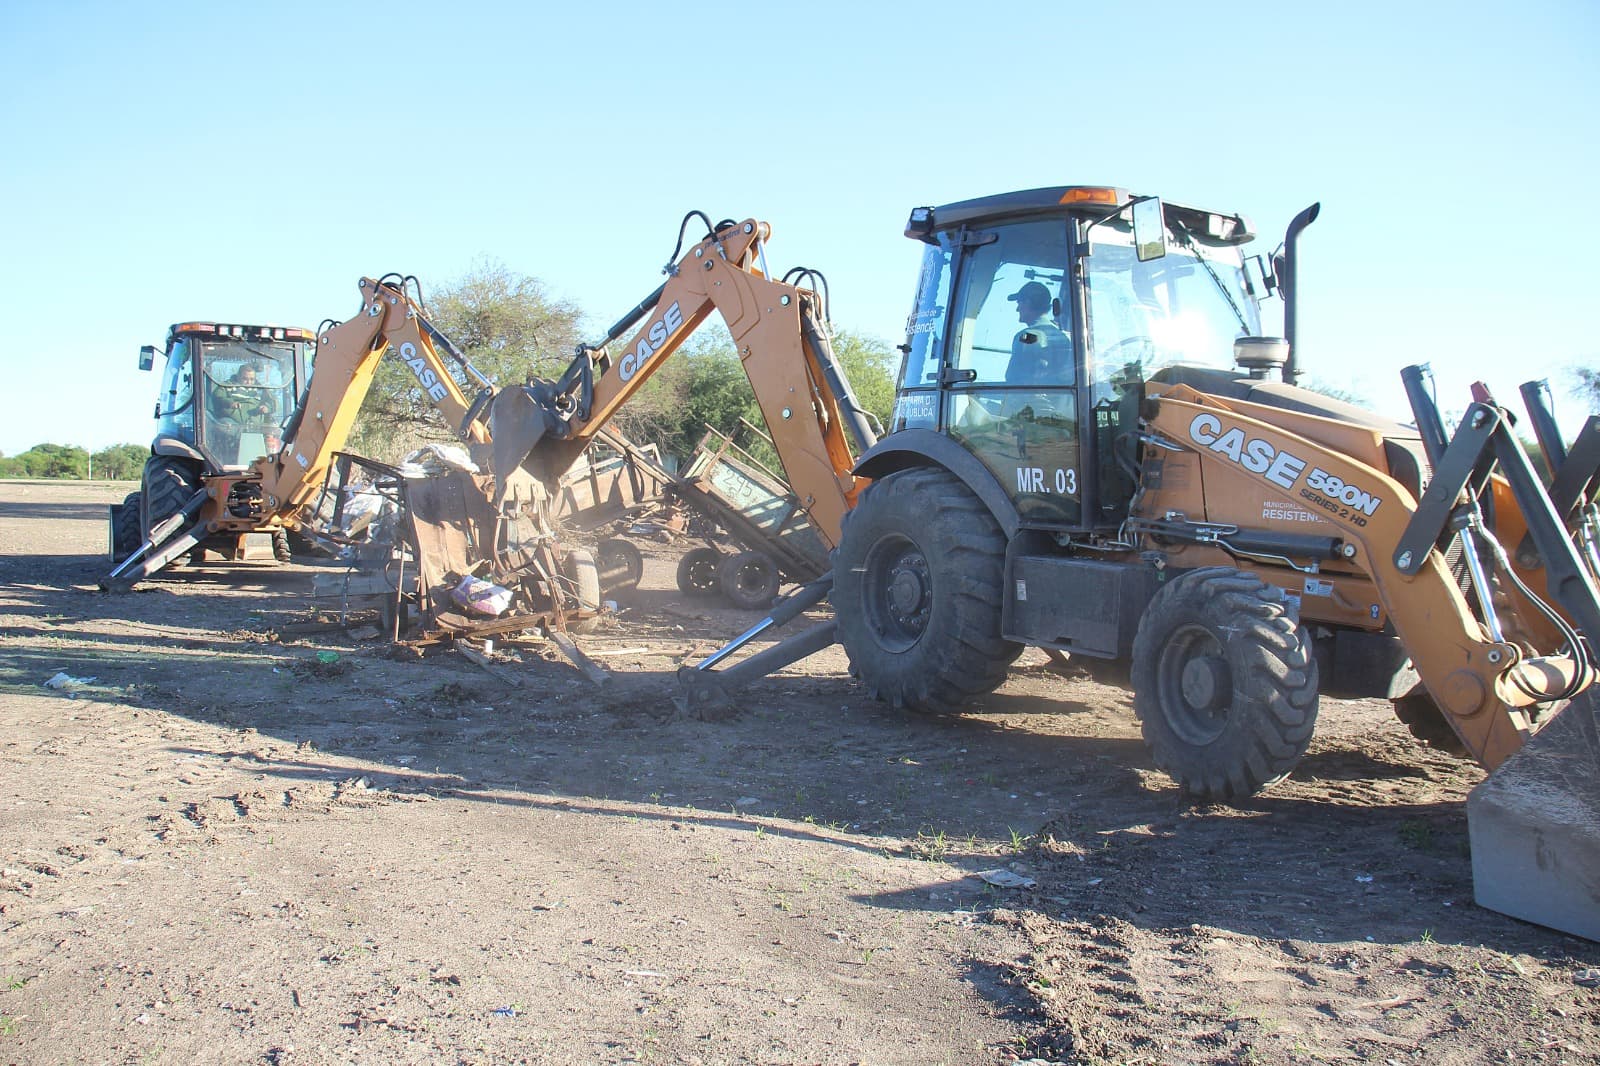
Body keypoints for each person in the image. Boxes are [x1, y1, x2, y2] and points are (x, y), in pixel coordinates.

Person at [1005, 281, 1071, 386]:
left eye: (1019, 303)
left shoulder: (1026, 336)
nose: (1017, 309)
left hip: (1030, 396)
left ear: (1028, 303)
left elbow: (1013, 378)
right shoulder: (1065, 338)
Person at [208, 363, 275, 424]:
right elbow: (217, 396)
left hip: (256, 426)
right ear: (238, 376)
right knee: (225, 423)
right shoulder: (227, 386)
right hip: (231, 424)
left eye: (252, 379)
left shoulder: (260, 389)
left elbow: (272, 401)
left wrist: (267, 407)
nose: (249, 382)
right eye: (245, 379)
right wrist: (229, 403)